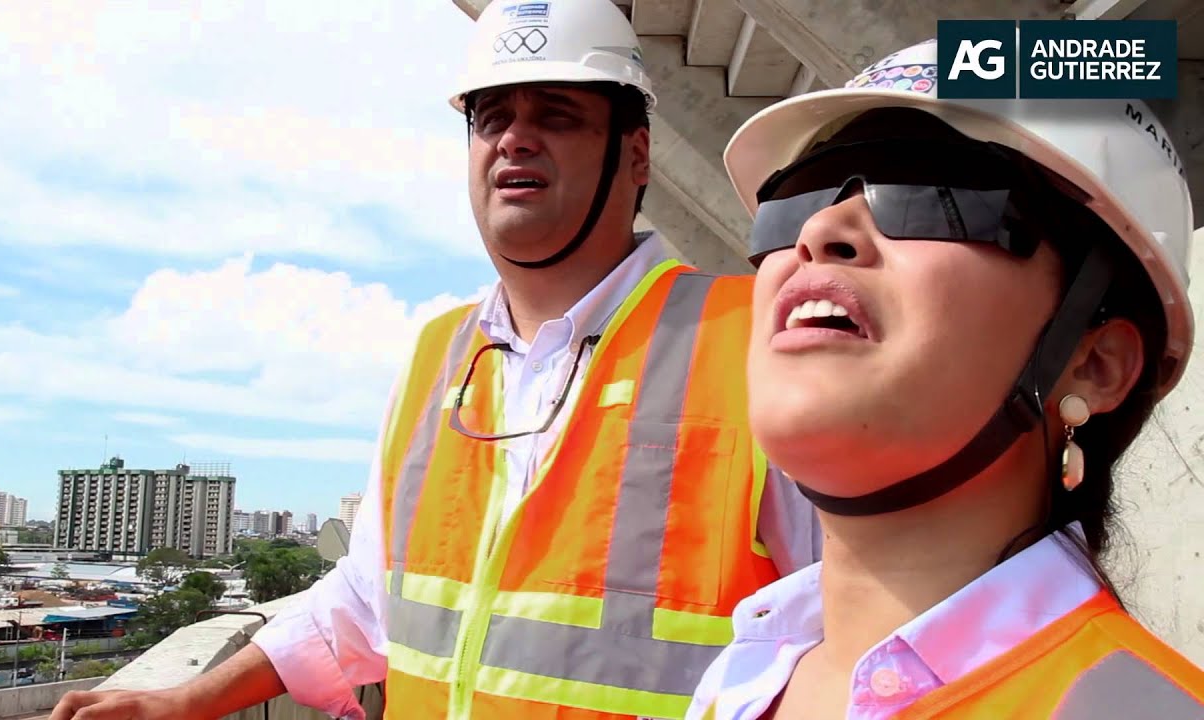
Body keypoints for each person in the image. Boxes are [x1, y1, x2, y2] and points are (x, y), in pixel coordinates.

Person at [49, 2, 819, 719]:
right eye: (492, 118)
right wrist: (188, 700)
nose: (515, 138)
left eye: (556, 114)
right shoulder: (437, 357)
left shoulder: (755, 337)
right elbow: (367, 597)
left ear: (637, 154)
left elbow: (853, 622)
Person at [682, 38, 1204, 719]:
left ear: (1094, 362)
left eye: (932, 193)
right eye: (792, 202)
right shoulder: (738, 683)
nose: (819, 228)